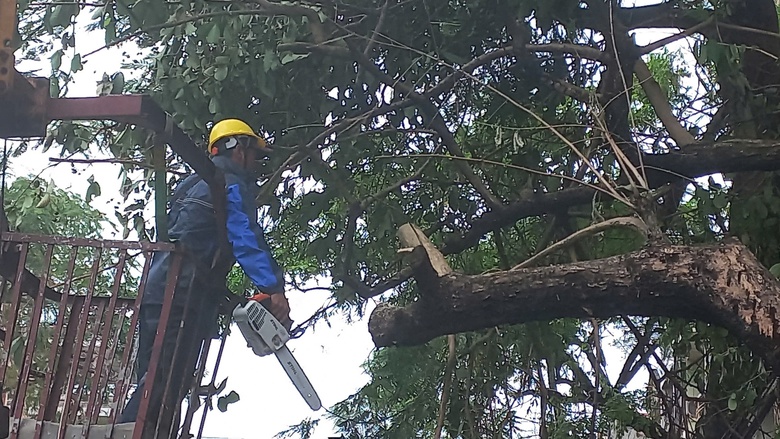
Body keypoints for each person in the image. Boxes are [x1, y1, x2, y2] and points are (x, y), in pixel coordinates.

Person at [118, 118, 291, 431]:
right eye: (254, 154)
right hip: (183, 295)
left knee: (156, 378)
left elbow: (194, 238)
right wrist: (273, 287)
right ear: (238, 149)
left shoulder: (190, 182)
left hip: (159, 289)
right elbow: (245, 236)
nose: (256, 163)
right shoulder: (228, 182)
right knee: (165, 380)